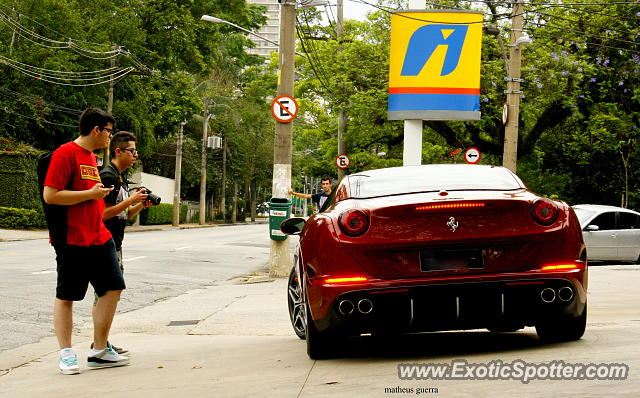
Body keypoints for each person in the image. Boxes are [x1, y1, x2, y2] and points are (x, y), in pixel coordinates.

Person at [43, 108, 129, 375]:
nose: (110, 137)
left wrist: (95, 195)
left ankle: (100, 350)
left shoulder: (92, 157)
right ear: (96, 130)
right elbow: (51, 195)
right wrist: (89, 194)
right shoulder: (65, 153)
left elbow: (89, 195)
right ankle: (66, 353)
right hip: (72, 238)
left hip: (99, 236)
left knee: (113, 288)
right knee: (67, 296)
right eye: (108, 131)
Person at [91, 131, 150, 355]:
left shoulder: (120, 177)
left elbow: (124, 215)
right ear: (118, 151)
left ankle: (101, 341)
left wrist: (139, 205)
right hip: (104, 243)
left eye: (135, 151)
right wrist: (131, 199)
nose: (135, 155)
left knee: (108, 294)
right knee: (106, 294)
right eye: (132, 151)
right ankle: (100, 345)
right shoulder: (107, 176)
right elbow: (102, 214)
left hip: (116, 243)